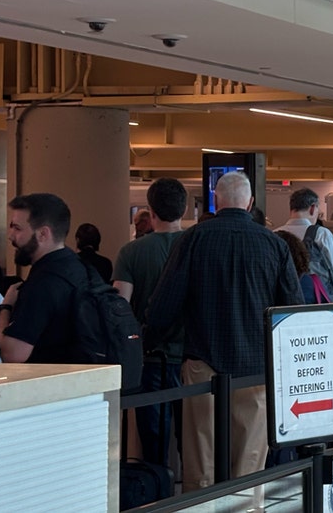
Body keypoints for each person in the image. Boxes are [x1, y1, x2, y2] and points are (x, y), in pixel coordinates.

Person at [145, 171, 301, 491]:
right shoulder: (273, 244)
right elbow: (292, 311)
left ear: (216, 200)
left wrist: (148, 342)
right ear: (251, 202)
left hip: (203, 362)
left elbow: (166, 303)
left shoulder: (194, 238)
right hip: (257, 369)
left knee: (202, 459)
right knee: (249, 460)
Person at [113, 178, 189, 468]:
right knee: (193, 439)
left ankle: (158, 490)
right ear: (183, 210)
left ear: (151, 211)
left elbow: (121, 306)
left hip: (151, 358)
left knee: (153, 439)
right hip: (192, 358)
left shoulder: (131, 253)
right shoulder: (195, 244)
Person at [0, 193, 84, 364]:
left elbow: (13, 354)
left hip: (53, 384)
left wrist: (5, 308)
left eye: (17, 228)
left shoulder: (42, 283)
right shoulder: (78, 267)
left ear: (43, 234)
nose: (11, 235)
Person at [276, 188, 333, 304]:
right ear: (312, 208)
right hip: (315, 304)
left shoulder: (274, 235)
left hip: (281, 303)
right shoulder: (321, 234)